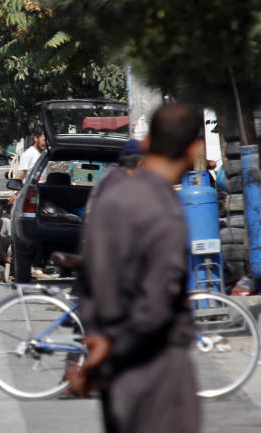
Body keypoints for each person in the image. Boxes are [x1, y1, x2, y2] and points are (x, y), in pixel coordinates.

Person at [71, 104, 203, 432]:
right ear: (193, 150)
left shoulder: (110, 199)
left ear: (146, 144)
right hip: (155, 370)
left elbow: (87, 281)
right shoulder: (164, 211)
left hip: (116, 376)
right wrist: (115, 348)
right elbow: (156, 305)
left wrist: (98, 343)